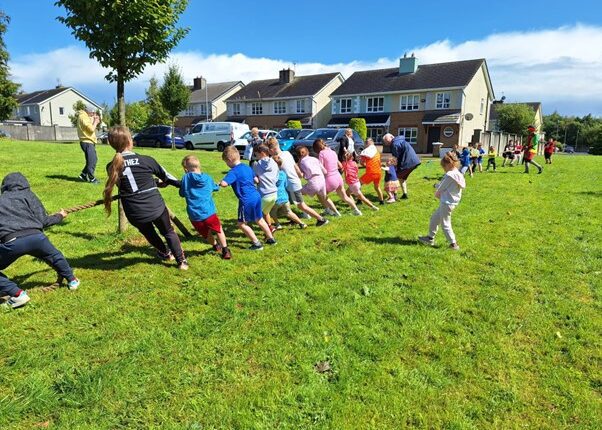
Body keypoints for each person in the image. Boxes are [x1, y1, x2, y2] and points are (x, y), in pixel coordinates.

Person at [104, 126, 188, 270]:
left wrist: (153, 182)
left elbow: (129, 184)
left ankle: (166, 253)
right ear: (130, 141)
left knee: (149, 233)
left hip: (134, 211)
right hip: (155, 206)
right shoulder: (146, 160)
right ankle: (181, 262)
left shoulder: (111, 166)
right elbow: (167, 176)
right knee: (168, 231)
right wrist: (182, 185)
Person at [0, 172, 79, 309]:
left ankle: (17, 294)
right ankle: (72, 280)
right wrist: (59, 216)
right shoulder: (29, 195)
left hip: (11, 241)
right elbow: (43, 221)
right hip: (37, 237)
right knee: (54, 255)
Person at [220, 146, 276, 250]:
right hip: (256, 196)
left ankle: (257, 244)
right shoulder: (247, 167)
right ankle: (271, 239)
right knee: (259, 219)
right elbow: (256, 180)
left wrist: (220, 182)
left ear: (230, 160)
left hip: (246, 200)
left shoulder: (233, 171)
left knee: (241, 224)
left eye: (226, 162)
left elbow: (224, 184)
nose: (227, 165)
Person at [265, 138, 329, 227]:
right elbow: (295, 166)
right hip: (295, 181)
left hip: (292, 185)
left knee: (301, 205)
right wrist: (299, 175)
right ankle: (294, 218)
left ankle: (321, 219)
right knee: (289, 203)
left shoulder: (275, 159)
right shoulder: (287, 153)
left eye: (268, 151)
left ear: (272, 150)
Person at [179, 155, 231, 260]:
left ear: (186, 169)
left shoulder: (185, 178)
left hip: (194, 215)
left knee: (206, 234)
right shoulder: (207, 178)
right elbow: (215, 188)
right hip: (209, 212)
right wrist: (217, 185)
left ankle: (215, 246)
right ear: (199, 166)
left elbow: (182, 193)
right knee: (218, 230)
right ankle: (225, 250)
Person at [418, 152, 465, 251]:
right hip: (450, 202)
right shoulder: (458, 173)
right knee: (434, 218)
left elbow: (441, 186)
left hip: (447, 202)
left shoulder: (450, 175)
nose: (444, 169)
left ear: (448, 164)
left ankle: (453, 244)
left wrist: (435, 185)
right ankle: (430, 238)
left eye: (444, 167)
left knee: (445, 223)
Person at [314, 138, 362, 216]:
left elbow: (321, 167)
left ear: (317, 148)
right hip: (338, 177)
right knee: (344, 196)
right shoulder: (333, 152)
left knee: (321, 194)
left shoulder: (321, 153)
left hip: (330, 179)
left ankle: (333, 211)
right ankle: (356, 210)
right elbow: (339, 165)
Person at [296, 146, 340, 216]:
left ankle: (306, 213)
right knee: (325, 197)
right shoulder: (315, 159)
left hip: (314, 182)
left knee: (297, 192)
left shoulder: (301, 162)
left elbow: (301, 175)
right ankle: (336, 212)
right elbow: (325, 171)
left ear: (298, 155)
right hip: (322, 181)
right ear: (308, 152)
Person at [270, 155, 307, 229]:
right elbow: (286, 184)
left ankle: (277, 224)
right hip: (285, 197)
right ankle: (301, 223)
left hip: (276, 199)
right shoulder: (283, 174)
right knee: (289, 212)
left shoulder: (272, 175)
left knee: (272, 212)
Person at [382, 133, 420, 199]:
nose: (386, 142)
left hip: (408, 163)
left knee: (394, 177)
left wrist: (390, 167)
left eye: (386, 140)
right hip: (414, 162)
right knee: (401, 178)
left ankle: (394, 196)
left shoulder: (395, 144)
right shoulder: (400, 141)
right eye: (385, 141)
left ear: (391, 137)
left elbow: (395, 159)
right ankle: (404, 195)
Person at [252, 145, 279, 230]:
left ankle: (268, 235)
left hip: (264, 194)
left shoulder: (257, 164)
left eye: (256, 154)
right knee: (266, 212)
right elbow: (277, 177)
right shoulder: (274, 162)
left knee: (256, 216)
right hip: (274, 194)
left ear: (262, 153)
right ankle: (270, 227)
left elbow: (255, 179)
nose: (256, 157)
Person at [77, 107, 101, 183]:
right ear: (89, 112)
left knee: (91, 160)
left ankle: (83, 175)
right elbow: (91, 129)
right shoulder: (83, 117)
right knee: (92, 160)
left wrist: (94, 119)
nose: (93, 115)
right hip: (87, 141)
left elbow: (88, 125)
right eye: (93, 113)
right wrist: (96, 122)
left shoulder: (84, 116)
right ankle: (92, 178)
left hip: (88, 141)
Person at [359, 138, 384, 205]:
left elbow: (361, 163)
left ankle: (359, 200)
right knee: (377, 187)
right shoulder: (376, 150)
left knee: (358, 184)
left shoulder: (365, 151)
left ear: (366, 143)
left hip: (371, 172)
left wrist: (365, 165)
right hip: (378, 172)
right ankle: (381, 201)